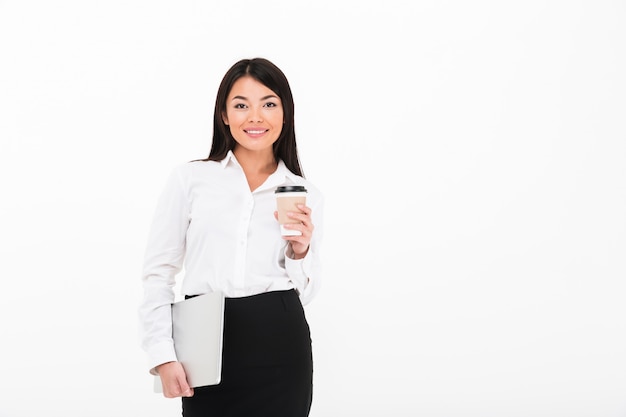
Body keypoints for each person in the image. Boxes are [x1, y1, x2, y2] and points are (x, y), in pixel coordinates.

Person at [138, 57, 323, 417]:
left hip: (280, 341)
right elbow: (158, 272)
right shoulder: (190, 181)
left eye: (269, 104)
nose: (255, 117)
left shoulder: (304, 192)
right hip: (203, 340)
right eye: (241, 105)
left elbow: (308, 292)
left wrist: (300, 252)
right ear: (224, 115)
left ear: (285, 114)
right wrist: (162, 354)